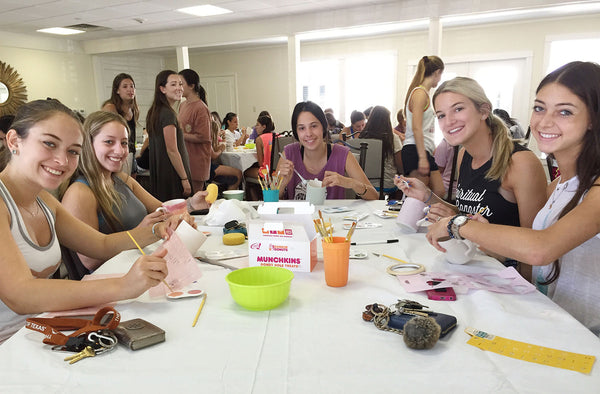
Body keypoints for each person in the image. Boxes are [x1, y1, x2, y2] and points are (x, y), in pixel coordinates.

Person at [425, 62, 600, 335]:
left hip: (587, 337)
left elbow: (540, 250)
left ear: (593, 119)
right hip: (554, 319)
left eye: (565, 111)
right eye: (539, 108)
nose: (545, 121)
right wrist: (483, 236)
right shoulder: (561, 185)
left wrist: (458, 225)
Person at [0, 99, 179, 343]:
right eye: (49, 144)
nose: (62, 161)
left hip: (40, 331)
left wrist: (159, 229)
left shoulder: (43, 199)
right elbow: (20, 294)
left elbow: (101, 244)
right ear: (13, 141)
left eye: (73, 151)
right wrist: (124, 285)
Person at [396, 76, 547, 273]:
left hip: (506, 275)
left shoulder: (521, 163)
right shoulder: (464, 155)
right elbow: (466, 214)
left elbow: (535, 250)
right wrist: (427, 196)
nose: (448, 122)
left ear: (484, 111)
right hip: (474, 266)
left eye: (458, 109)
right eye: (441, 115)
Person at [61, 111, 210, 271]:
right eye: (109, 142)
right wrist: (141, 231)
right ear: (88, 145)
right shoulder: (80, 193)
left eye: (124, 143)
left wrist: (191, 204)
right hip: (115, 278)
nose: (120, 151)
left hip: (143, 264)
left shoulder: (121, 179)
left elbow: (163, 210)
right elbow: (91, 261)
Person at [277, 101, 378, 200]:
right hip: (298, 217)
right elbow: (269, 203)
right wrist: (282, 185)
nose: (308, 133)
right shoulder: (288, 154)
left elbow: (374, 196)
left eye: (314, 126)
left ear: (323, 127)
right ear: (296, 132)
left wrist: (350, 183)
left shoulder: (342, 154)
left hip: (333, 217)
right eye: (302, 128)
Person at [401, 55, 446, 198]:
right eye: (441, 75)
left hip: (422, 150)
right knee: (417, 197)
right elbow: (416, 128)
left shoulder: (423, 93)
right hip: (415, 150)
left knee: (439, 192)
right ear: (437, 72)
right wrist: (422, 157)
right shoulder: (419, 93)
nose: (440, 79)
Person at [146, 70, 192, 201]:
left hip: (161, 173)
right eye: (173, 84)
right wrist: (184, 178)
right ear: (162, 89)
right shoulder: (167, 114)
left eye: (180, 84)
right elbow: (172, 150)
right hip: (172, 174)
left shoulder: (155, 111)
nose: (179, 88)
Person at [178, 69, 212, 192]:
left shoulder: (201, 108)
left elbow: (204, 137)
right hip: (185, 157)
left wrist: (180, 134)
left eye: (181, 84)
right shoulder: (183, 105)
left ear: (192, 86)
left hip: (196, 160)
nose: (178, 87)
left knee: (196, 200)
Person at [101, 73, 140, 176]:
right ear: (117, 90)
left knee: (130, 188)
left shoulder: (134, 109)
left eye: (132, 86)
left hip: (130, 153)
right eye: (125, 86)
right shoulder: (110, 108)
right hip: (115, 154)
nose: (130, 90)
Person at [358, 105, 402, 193]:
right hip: (388, 185)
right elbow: (400, 165)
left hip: (364, 184)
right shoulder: (392, 138)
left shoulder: (362, 137)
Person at [208, 119, 242, 190]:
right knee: (239, 173)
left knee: (233, 177)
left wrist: (223, 139)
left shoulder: (208, 140)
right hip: (209, 168)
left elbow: (214, 149)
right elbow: (213, 156)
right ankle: (230, 197)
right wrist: (221, 150)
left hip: (207, 167)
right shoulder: (207, 141)